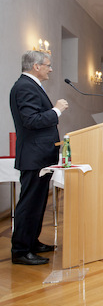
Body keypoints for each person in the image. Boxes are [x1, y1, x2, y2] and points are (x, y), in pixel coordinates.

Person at [10, 50, 68, 265]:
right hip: (34, 155)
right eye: (48, 65)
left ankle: (32, 242)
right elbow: (31, 120)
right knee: (29, 204)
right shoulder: (25, 87)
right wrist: (56, 111)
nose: (50, 69)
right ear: (36, 66)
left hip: (41, 155)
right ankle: (21, 250)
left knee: (38, 203)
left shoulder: (30, 85)